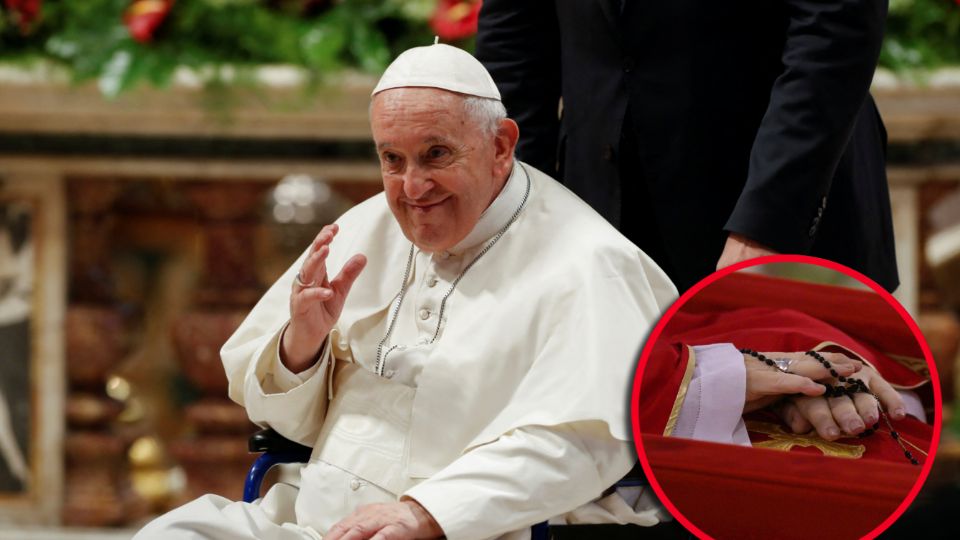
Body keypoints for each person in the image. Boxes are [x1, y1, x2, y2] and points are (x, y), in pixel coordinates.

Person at [134, 45, 890, 540]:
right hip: (305, 518)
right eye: (391, 159)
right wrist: (301, 346)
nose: (411, 186)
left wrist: (426, 513)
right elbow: (269, 413)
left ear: (501, 147)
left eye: (436, 154)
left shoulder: (589, 263)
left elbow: (582, 440)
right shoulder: (366, 227)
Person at [475, 0, 898, 293]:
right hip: (598, 223)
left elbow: (834, 32)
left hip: (773, 215)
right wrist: (517, 218)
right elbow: (515, 51)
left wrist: (767, 226)